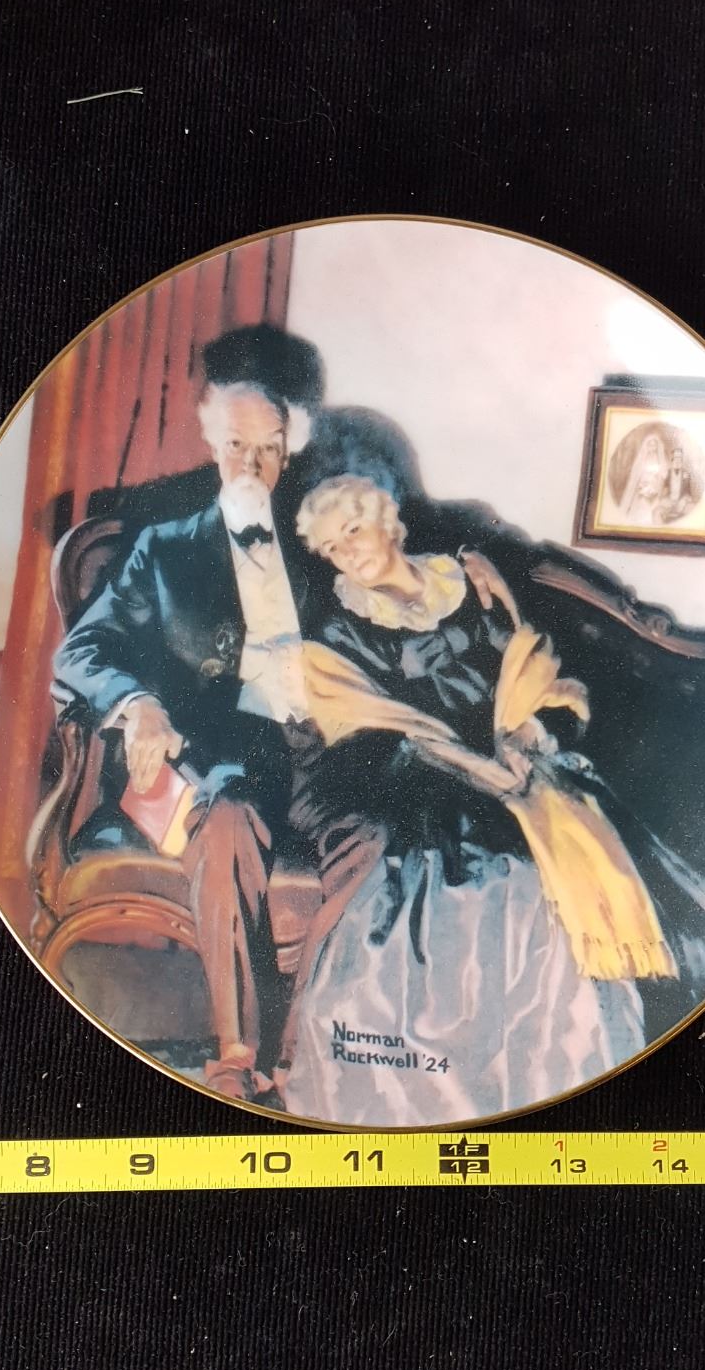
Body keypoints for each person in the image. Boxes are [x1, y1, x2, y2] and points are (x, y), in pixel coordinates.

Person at [52, 331, 516, 1102]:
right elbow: (85, 649)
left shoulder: (315, 530)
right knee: (225, 820)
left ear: (288, 445)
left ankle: (298, 1048)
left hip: (325, 752)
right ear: (210, 437)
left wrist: (474, 556)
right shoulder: (161, 547)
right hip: (223, 751)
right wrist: (138, 705)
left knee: (376, 840)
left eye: (268, 447)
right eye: (236, 445)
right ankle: (235, 1053)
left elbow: (416, 527)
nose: (252, 464)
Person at [276, 473, 705, 1126]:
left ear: (386, 522)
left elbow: (535, 665)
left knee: (607, 858)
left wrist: (532, 731)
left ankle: (584, 1070)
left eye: (354, 530)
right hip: (433, 782)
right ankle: (471, 1085)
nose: (350, 551)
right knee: (495, 893)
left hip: (526, 760)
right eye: (333, 547)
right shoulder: (336, 634)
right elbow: (370, 727)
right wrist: (472, 769)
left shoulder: (470, 580)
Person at [607, 421, 705, 528]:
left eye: (654, 444)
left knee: (656, 510)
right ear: (646, 446)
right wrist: (643, 487)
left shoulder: (661, 460)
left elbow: (664, 478)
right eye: (650, 445)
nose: (652, 447)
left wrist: (658, 487)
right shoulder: (642, 461)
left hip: (657, 490)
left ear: (657, 446)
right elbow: (637, 477)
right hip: (643, 490)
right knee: (641, 512)